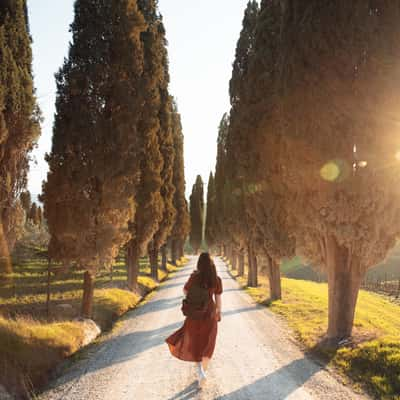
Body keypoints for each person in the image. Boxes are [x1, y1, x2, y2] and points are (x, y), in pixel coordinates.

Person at [166, 252, 223, 387]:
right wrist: (218, 312)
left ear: (199, 264)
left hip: (194, 314)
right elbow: (218, 299)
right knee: (208, 345)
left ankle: (200, 372)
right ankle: (202, 372)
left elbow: (185, 291)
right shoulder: (216, 279)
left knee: (197, 344)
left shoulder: (194, 277)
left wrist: (196, 297)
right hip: (209, 314)